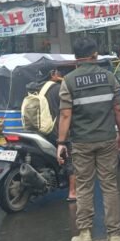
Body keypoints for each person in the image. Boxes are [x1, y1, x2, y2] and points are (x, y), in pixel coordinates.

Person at [57, 37, 120, 241]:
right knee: (109, 186)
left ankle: (85, 235)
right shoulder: (109, 77)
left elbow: (65, 115)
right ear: (95, 55)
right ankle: (114, 235)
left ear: (76, 57)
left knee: (84, 187)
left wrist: (61, 142)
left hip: (82, 142)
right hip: (107, 139)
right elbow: (118, 109)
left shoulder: (68, 81)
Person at [44, 68, 76, 203]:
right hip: (59, 130)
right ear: (53, 74)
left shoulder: (41, 88)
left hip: (45, 129)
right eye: (59, 73)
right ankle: (73, 192)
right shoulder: (58, 89)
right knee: (71, 160)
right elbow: (66, 113)